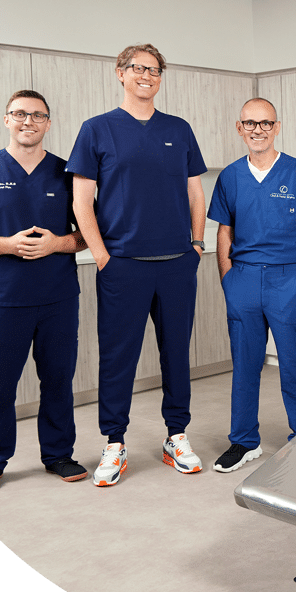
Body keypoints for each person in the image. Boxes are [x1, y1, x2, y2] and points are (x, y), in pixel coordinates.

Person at [66, 43, 207, 486]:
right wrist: (103, 256)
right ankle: (114, 443)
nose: (147, 75)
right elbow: (81, 202)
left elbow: (195, 193)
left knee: (176, 355)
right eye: (138, 68)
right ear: (120, 73)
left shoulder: (178, 129)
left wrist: (197, 244)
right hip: (123, 265)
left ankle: (176, 436)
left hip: (175, 264)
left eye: (155, 69)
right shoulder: (97, 130)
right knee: (117, 356)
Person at [0, 89, 88, 496]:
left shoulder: (68, 174)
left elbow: (86, 235)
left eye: (38, 115)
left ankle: (58, 454)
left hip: (58, 298)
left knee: (58, 379)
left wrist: (54, 244)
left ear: (48, 122)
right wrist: (9, 244)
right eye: (20, 114)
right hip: (3, 300)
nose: (29, 121)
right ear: (6, 119)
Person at [208, 98, 296, 472]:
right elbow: (224, 230)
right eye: (250, 123)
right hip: (242, 278)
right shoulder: (230, 176)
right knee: (244, 365)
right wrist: (228, 279)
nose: (258, 130)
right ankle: (244, 441)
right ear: (239, 128)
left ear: (277, 127)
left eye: (266, 123)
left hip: (289, 279)